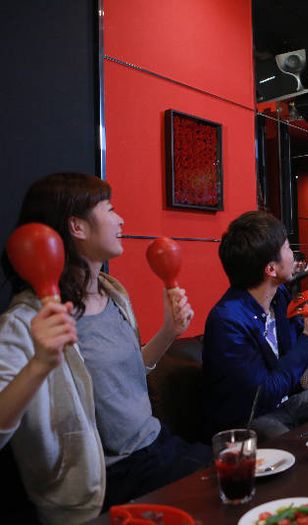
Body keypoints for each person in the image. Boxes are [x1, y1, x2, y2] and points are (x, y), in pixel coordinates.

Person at [0, 173, 210, 524]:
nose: (121, 219)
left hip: (156, 447)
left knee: (244, 467)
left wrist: (169, 333)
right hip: (104, 482)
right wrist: (39, 364)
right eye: (110, 209)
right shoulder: (25, 321)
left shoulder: (114, 292)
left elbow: (126, 376)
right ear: (77, 227)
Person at [202, 211, 308, 441]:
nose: (293, 254)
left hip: (288, 405)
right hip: (249, 419)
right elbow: (264, 394)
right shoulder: (227, 321)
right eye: (288, 248)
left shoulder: (278, 297)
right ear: (271, 269)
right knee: (294, 447)